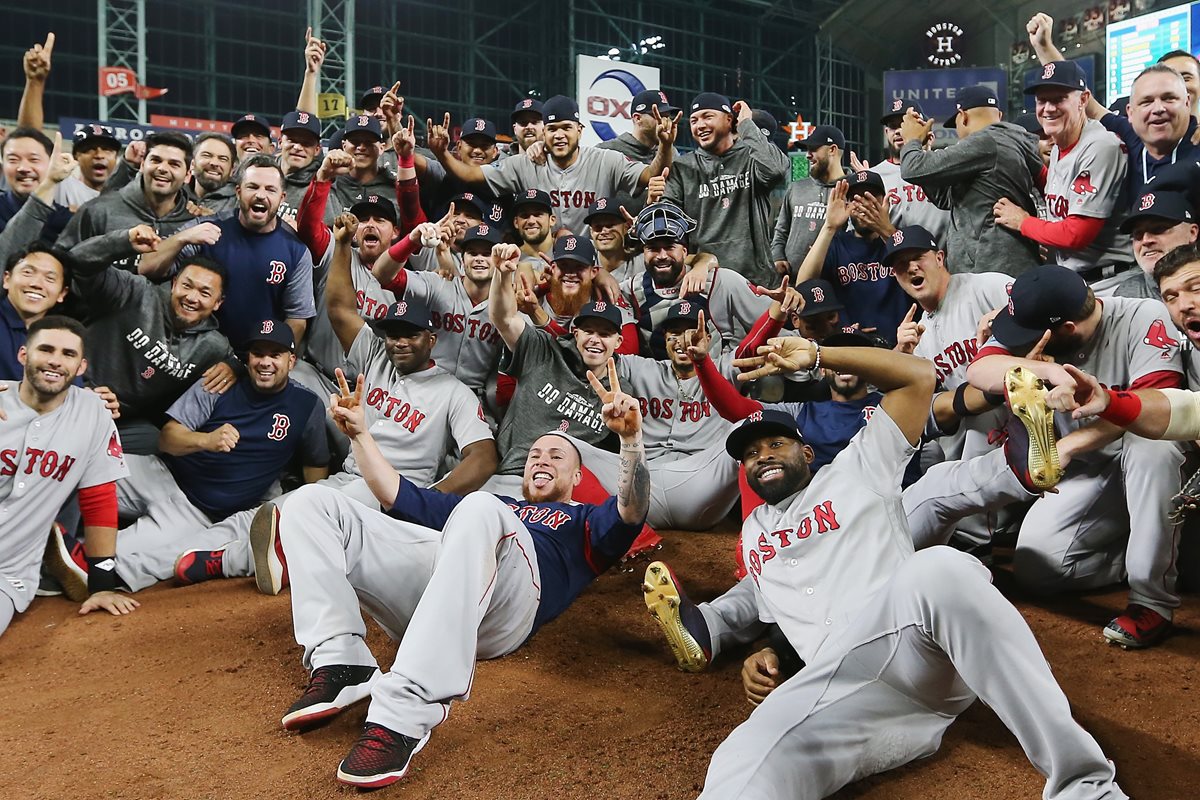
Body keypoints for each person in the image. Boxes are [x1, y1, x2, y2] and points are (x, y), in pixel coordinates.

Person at [659, 335, 1129, 800]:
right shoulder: (755, 533)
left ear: (806, 453)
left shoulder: (853, 469)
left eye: (774, 444)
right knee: (743, 755)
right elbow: (794, 603)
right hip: (842, 690)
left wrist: (820, 355)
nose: (761, 456)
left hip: (914, 645)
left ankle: (1083, 784)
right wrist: (771, 656)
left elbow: (919, 378)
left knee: (940, 568)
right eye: (750, 455)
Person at [275, 359, 649, 788]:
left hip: (509, 610)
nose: (541, 460)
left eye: (557, 455)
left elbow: (632, 510)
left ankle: (402, 715)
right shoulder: (497, 506)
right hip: (448, 589)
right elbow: (396, 493)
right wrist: (360, 435)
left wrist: (631, 441)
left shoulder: (586, 519)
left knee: (480, 506)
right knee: (311, 503)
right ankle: (343, 661)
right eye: (534, 455)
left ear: (578, 474)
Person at [966, 264, 1185, 648]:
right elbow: (980, 369)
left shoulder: (1140, 317)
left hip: (1138, 457)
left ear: (1066, 329)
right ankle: (1141, 555)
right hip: (1091, 473)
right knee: (1038, 572)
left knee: (1154, 446)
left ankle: (1153, 599)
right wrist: (1040, 371)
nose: (1019, 339)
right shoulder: (1041, 309)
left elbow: (1158, 407)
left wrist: (1068, 445)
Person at [44, 321, 328, 596]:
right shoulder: (221, 383)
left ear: (291, 361)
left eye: (275, 354)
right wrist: (206, 440)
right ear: (248, 357)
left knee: (97, 560)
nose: (265, 362)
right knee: (75, 467)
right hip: (160, 474)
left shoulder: (307, 405)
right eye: (258, 353)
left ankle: (44, 566)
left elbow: (315, 463)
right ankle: (23, 528)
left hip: (195, 513)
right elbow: (167, 438)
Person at [0, 316, 135, 638]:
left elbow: (100, 499)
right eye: (45, 349)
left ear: (81, 366)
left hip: (7, 572)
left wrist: (102, 583)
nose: (55, 361)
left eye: (68, 354)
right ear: (23, 355)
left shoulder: (93, 413)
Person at [72, 232, 237, 454]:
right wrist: (123, 241)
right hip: (75, 392)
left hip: (122, 423)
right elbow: (77, 260)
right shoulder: (134, 292)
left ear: (218, 303)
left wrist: (234, 367)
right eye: (187, 285)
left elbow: (250, 361)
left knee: (154, 440)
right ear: (174, 283)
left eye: (205, 293)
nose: (192, 297)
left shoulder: (213, 346)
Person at [138, 154, 316, 349]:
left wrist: (264, 362)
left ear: (281, 198)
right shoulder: (206, 229)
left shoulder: (296, 251)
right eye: (253, 187)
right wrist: (182, 238)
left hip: (256, 359)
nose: (260, 195)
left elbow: (297, 319)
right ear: (238, 192)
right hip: (197, 351)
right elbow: (147, 267)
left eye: (270, 189)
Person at [430, 96, 676, 235]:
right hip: (538, 261)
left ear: (579, 131)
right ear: (543, 133)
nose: (559, 135)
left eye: (566, 128)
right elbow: (470, 174)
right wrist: (441, 153)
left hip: (591, 262)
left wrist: (665, 146)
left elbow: (651, 173)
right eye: (552, 129)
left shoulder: (606, 160)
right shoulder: (524, 164)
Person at [1027, 13, 1197, 203]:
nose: (1158, 108)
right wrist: (1043, 47)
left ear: (1186, 100)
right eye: (1146, 101)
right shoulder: (1135, 137)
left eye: (1169, 96)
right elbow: (1091, 108)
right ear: (1131, 112)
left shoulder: (1195, 145)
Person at [993, 60, 1132, 281]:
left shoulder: (1100, 145)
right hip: (1080, 276)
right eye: (1042, 100)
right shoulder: (1061, 144)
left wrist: (1023, 222)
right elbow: (1062, 190)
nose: (1048, 108)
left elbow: (1076, 234)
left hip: (1111, 278)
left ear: (1083, 100)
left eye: (1059, 99)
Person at [897, 86, 1043, 276]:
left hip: (991, 268)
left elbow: (912, 168)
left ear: (962, 116)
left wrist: (911, 141)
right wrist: (923, 149)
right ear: (998, 114)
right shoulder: (1005, 142)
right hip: (1005, 263)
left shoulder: (985, 142)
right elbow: (946, 199)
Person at [662, 93, 790, 288]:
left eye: (707, 116)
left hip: (756, 281)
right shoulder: (682, 167)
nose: (700, 125)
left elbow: (777, 170)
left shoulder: (751, 157)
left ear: (729, 119)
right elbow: (669, 224)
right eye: (694, 120)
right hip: (705, 281)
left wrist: (746, 124)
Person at [372, 222, 506, 400]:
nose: (479, 258)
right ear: (462, 258)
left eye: (487, 254)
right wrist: (412, 240)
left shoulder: (508, 304)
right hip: (423, 389)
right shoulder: (437, 284)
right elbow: (381, 273)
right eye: (472, 253)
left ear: (498, 260)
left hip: (472, 397)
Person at [621, 201, 764, 356]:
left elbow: (770, 319)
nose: (662, 256)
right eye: (653, 248)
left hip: (715, 374)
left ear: (684, 251)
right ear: (644, 252)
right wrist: (602, 276)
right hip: (659, 377)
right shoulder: (630, 290)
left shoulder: (720, 281)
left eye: (670, 247)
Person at [57, 131, 197, 275]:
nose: (162, 168)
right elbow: (59, 262)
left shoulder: (193, 223)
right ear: (142, 165)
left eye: (174, 164)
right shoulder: (99, 210)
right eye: (155, 160)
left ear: (187, 175)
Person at [796, 172, 909, 341]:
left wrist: (886, 230)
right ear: (847, 205)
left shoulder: (901, 240)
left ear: (885, 202)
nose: (863, 206)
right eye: (856, 199)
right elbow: (802, 288)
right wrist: (829, 227)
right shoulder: (836, 245)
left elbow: (921, 275)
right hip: (850, 347)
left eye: (869, 198)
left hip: (900, 346)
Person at [772, 125, 846, 280]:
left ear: (832, 150)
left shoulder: (850, 190)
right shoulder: (797, 187)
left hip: (833, 284)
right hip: (791, 282)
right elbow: (781, 230)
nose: (807, 155)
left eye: (813, 149)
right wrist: (777, 256)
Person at [872, 99, 951, 240]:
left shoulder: (942, 169)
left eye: (903, 125)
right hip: (891, 258)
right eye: (892, 127)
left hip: (942, 258)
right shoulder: (875, 175)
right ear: (886, 132)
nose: (898, 131)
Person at [1107, 190, 1198, 300]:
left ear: (1192, 233)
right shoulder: (1128, 295)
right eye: (1138, 234)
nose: (1146, 240)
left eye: (1159, 229)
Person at [0, 243, 69, 380]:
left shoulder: (65, 336)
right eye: (28, 273)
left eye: (50, 278)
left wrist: (91, 396)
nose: (36, 284)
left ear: (62, 293)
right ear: (6, 279)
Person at [0, 128, 72, 242]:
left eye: (34, 159)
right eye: (13, 160)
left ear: (52, 163)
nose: (23, 168)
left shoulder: (69, 221)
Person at [56, 125, 120, 208]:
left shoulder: (126, 195)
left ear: (116, 157)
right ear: (76, 157)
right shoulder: (62, 187)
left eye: (106, 149)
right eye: (89, 149)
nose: (99, 155)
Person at [277, 110, 323, 218]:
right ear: (280, 142)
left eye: (306, 143)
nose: (297, 147)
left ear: (317, 150)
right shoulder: (263, 172)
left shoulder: (320, 185)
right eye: (292, 140)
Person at [185, 132, 238, 215]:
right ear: (192, 163)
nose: (214, 163)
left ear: (232, 170)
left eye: (223, 159)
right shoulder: (174, 196)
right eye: (207, 155)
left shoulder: (240, 203)